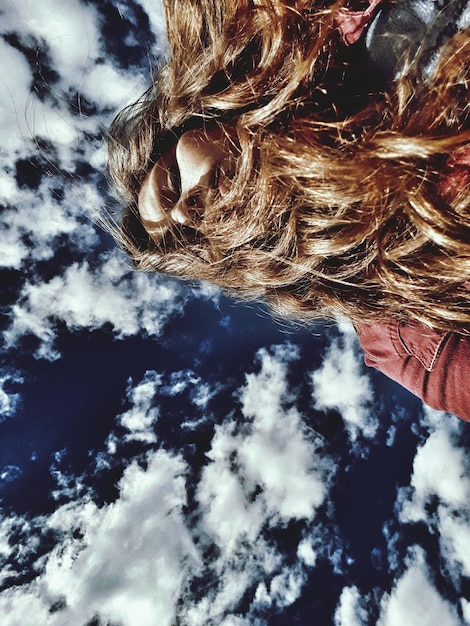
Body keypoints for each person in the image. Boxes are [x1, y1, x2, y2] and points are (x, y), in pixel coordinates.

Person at [106, 0, 470, 421]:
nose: (189, 212)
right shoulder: (397, 331)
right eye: (189, 235)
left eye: (171, 184)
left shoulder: (299, 18)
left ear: (192, 124)